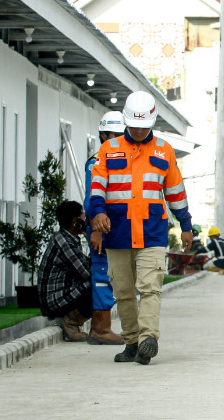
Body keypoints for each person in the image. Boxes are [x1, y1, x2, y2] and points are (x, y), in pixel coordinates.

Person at [89, 90, 193, 365]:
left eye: (143, 127)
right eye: (133, 126)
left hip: (152, 231)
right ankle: (132, 343)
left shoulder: (163, 150)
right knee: (122, 291)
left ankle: (149, 338)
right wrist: (97, 214)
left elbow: (175, 191)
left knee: (150, 287)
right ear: (125, 122)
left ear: (152, 122)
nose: (137, 131)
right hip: (118, 231)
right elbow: (97, 186)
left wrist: (185, 224)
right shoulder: (108, 150)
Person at [83, 111, 125, 345]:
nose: (118, 139)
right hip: (101, 228)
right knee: (101, 275)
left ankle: (102, 327)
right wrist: (96, 229)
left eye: (121, 134)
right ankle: (100, 328)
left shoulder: (117, 159)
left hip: (115, 228)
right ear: (102, 136)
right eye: (113, 135)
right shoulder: (97, 162)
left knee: (112, 276)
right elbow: (93, 199)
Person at [37, 201, 93, 343]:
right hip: (55, 301)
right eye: (83, 217)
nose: (86, 220)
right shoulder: (64, 242)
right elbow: (87, 272)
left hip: (61, 294)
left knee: (102, 281)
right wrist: (89, 235)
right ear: (75, 221)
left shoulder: (68, 238)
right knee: (100, 284)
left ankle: (72, 318)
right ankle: (71, 321)